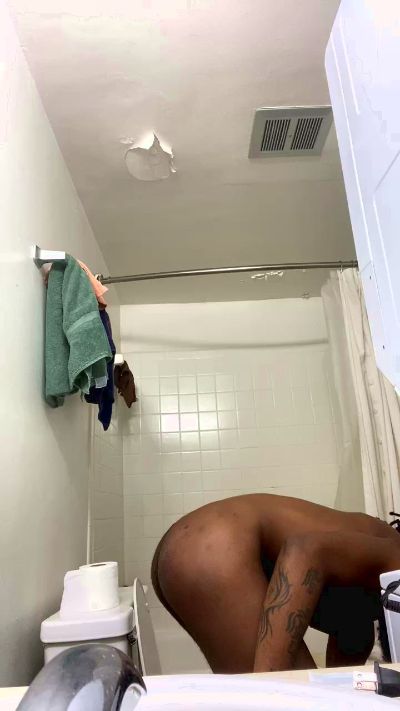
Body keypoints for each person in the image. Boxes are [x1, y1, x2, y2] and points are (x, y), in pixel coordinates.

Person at [151, 494, 399, 673]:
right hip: (214, 547)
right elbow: (305, 551)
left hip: (187, 545)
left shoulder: (366, 598)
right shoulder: (394, 556)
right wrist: (271, 684)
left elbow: (352, 638)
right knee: (290, 700)